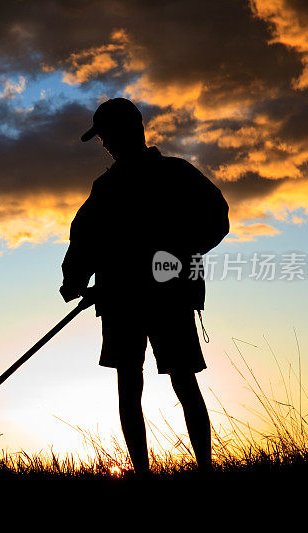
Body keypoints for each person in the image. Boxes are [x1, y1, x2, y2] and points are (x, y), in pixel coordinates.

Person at [60, 98, 229, 474]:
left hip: (157, 297)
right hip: (133, 298)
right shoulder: (116, 184)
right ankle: (157, 474)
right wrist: (74, 279)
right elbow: (84, 239)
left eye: (106, 136)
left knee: (167, 383)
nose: (104, 144)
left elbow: (216, 220)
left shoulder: (166, 176)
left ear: (128, 131)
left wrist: (179, 252)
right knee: (150, 384)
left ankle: (186, 472)